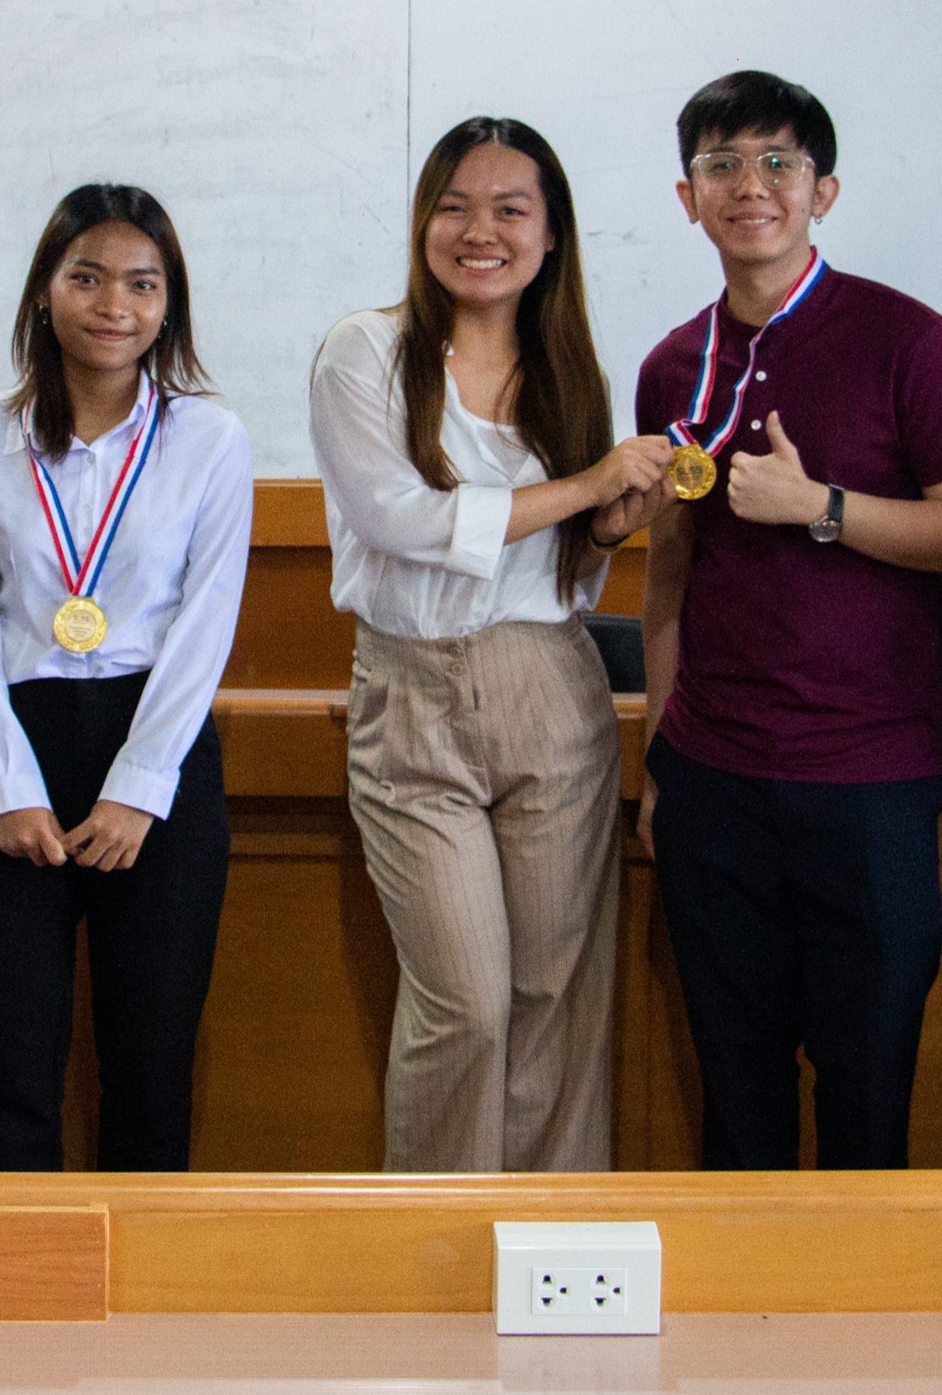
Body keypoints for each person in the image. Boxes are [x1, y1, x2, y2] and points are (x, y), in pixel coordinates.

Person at [634, 71, 942, 1172]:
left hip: (869, 784)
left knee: (867, 1091)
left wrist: (823, 510)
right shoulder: (672, 364)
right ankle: (729, 1341)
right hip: (714, 780)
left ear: (824, 190)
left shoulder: (908, 340)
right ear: (687, 195)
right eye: (721, 165)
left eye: (777, 164)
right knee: (735, 1095)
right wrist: (663, 758)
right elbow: (668, 573)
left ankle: (859, 1339)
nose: (750, 187)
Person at [311, 117, 672, 1174]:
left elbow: (566, 559)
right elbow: (402, 519)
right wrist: (590, 485)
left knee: (555, 994)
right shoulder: (365, 350)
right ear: (424, 220)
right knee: (463, 1001)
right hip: (411, 691)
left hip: (548, 680)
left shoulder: (568, 365)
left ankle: (549, 1253)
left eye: (512, 209)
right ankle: (436, 1254)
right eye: (455, 206)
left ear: (551, 235)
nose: (482, 230)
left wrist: (609, 517)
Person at [0, 184, 252, 1172]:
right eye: (87, 276)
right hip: (12, 756)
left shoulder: (209, 438)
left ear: (169, 304)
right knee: (4, 1062)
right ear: (44, 292)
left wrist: (139, 788)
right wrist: (7, 786)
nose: (113, 303)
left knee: (150, 1061)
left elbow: (205, 626)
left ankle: (142, 1308)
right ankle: (7, 1295)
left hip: (154, 759)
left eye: (141, 283)